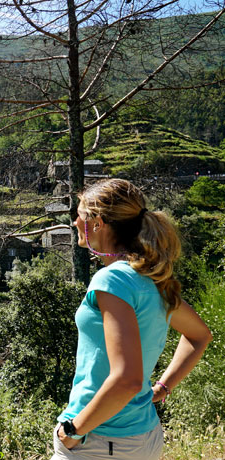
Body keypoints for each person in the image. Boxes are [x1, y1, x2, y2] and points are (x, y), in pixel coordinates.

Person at [52, 179, 213, 460]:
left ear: (98, 222)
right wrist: (163, 387)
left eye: (79, 214)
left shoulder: (111, 279)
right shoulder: (151, 278)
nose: (75, 222)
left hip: (100, 440)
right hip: (143, 435)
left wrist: (73, 431)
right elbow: (199, 335)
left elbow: (126, 379)